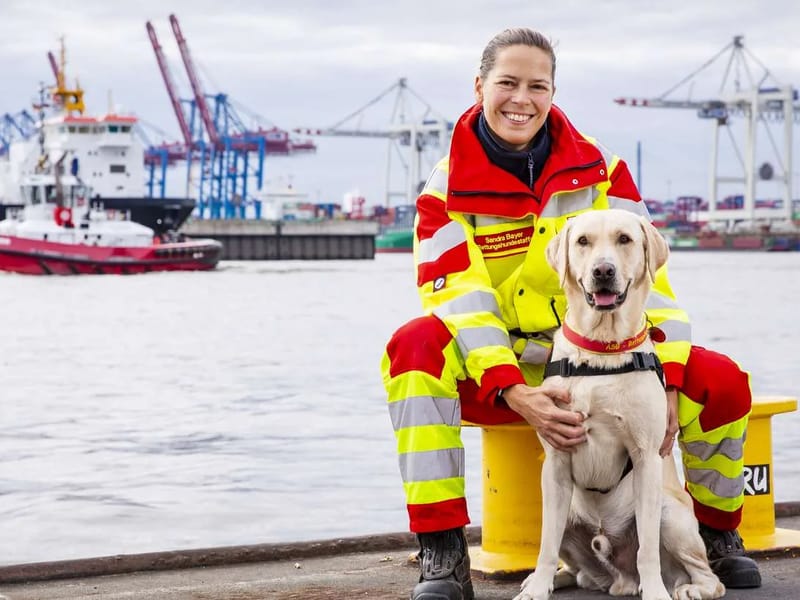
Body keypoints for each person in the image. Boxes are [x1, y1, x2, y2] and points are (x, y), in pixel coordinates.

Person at [380, 27, 760, 600]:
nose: (521, 99)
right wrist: (513, 389)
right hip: (501, 370)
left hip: (609, 362)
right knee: (413, 349)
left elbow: (649, 285)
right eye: (507, 83)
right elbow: (458, 296)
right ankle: (442, 551)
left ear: (553, 92)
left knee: (723, 382)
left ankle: (714, 536)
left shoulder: (602, 171)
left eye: (538, 86)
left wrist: (670, 378)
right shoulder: (446, 188)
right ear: (479, 85)